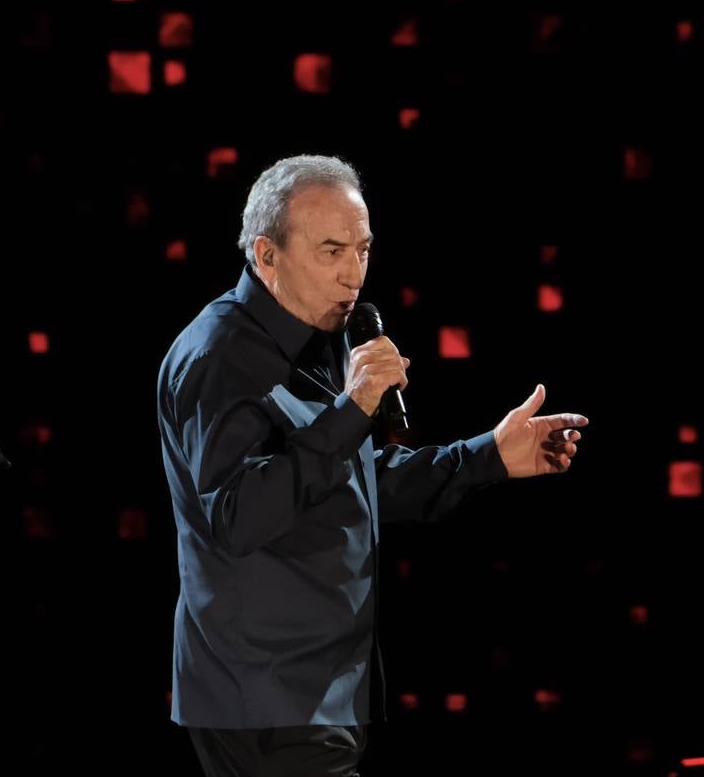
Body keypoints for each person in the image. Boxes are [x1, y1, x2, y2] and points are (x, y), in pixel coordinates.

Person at [157, 154, 588, 776]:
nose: (353, 274)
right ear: (266, 254)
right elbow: (238, 516)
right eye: (331, 251)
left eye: (362, 250)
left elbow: (351, 482)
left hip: (321, 686)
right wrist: (353, 406)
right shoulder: (222, 356)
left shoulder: (322, 336)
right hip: (266, 693)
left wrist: (486, 457)